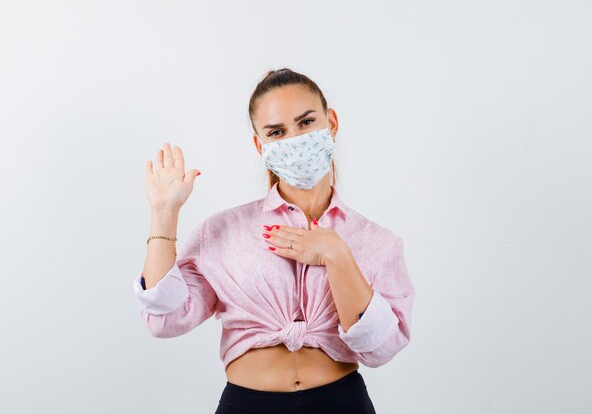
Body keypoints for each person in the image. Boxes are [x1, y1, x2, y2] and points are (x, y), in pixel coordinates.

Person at [132, 68, 415, 414]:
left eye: (307, 122)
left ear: (332, 123)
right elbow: (167, 318)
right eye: (277, 132)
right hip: (247, 405)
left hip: (343, 403)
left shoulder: (377, 241)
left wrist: (337, 253)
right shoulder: (223, 232)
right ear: (259, 145)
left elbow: (382, 348)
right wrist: (164, 212)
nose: (294, 139)